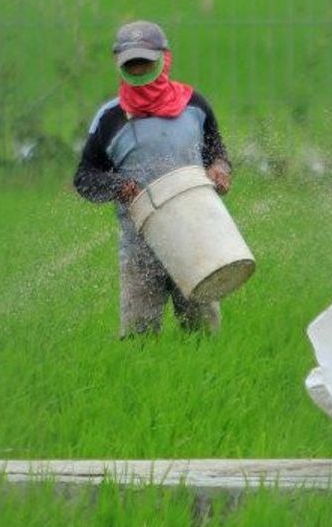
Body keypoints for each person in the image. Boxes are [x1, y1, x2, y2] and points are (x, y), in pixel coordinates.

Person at [73, 21, 234, 337]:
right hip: (140, 246)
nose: (138, 68)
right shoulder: (110, 118)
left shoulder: (194, 106)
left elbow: (217, 150)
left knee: (204, 336)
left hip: (196, 240)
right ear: (119, 65)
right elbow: (85, 177)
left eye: (145, 60)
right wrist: (116, 186)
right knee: (139, 339)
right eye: (130, 63)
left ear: (165, 58)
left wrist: (220, 169)